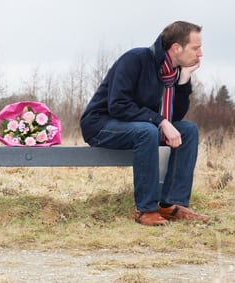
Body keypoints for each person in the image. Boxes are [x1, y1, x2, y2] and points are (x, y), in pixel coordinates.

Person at [80, 21, 209, 226]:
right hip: (101, 124)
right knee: (147, 130)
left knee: (189, 131)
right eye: (195, 47)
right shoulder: (136, 59)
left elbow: (175, 118)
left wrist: (183, 81)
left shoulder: (174, 73)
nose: (200, 53)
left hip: (139, 126)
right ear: (176, 47)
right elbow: (118, 105)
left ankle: (172, 204)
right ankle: (145, 209)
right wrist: (159, 121)